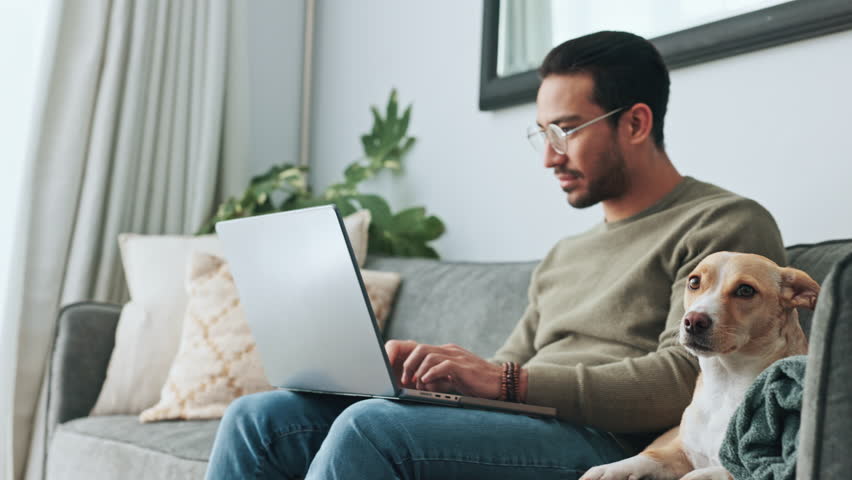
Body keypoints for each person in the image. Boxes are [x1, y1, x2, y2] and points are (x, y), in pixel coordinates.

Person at [205, 31, 786, 479]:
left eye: (565, 130)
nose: (549, 157)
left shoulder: (723, 225)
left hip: (614, 440)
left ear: (635, 122)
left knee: (372, 431)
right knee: (259, 419)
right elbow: (510, 361)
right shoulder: (566, 253)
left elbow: (682, 378)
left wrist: (507, 383)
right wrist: (439, 379)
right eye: (542, 135)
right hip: (531, 423)